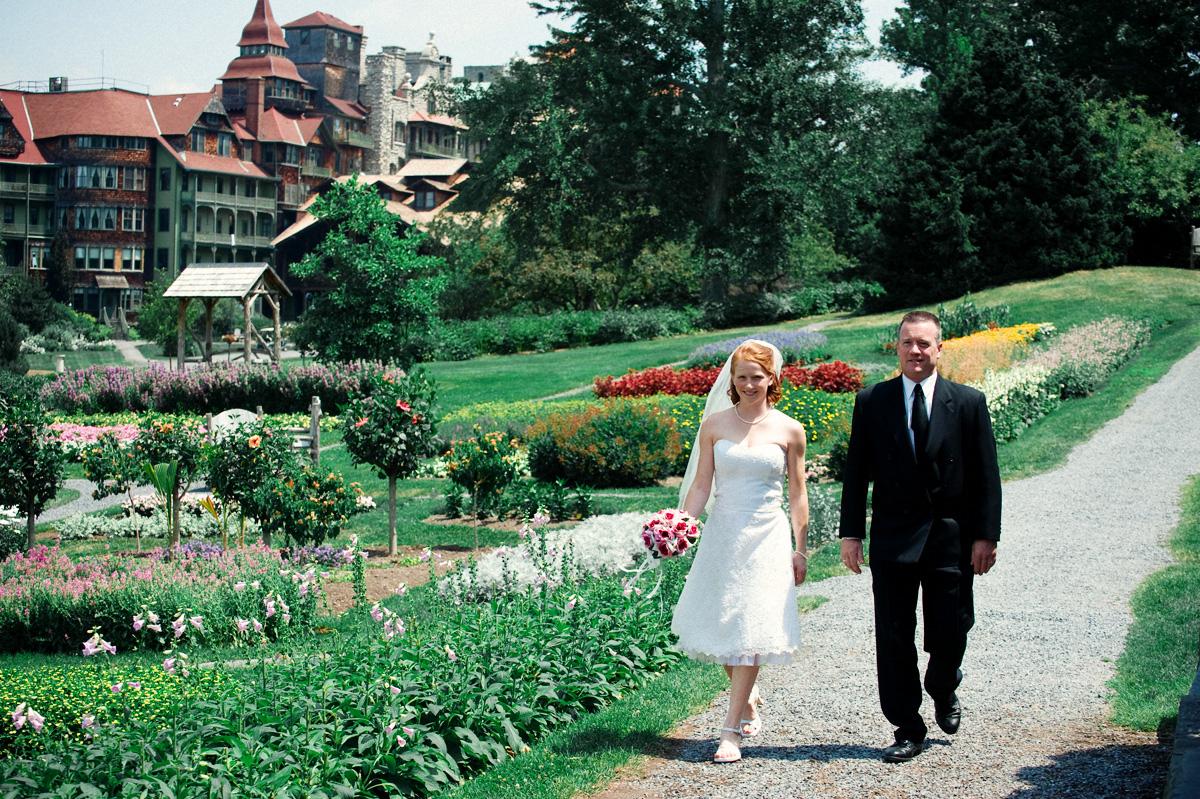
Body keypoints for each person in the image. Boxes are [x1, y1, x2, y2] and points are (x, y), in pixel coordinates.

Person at [839, 310, 1002, 763]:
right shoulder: (872, 401)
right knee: (893, 635)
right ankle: (907, 726)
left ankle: (943, 683)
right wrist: (851, 533)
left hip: (951, 536)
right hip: (893, 537)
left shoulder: (968, 402)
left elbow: (987, 476)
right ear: (897, 347)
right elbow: (856, 474)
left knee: (952, 628)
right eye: (908, 342)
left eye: (925, 344)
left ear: (939, 348)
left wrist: (986, 536)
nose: (916, 351)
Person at [672, 339, 810, 764]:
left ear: (773, 379)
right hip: (723, 534)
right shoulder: (714, 425)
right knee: (722, 622)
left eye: (758, 377)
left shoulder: (789, 430)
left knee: (750, 627)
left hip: (767, 537)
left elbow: (798, 493)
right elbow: (701, 485)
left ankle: (729, 732)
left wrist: (801, 548)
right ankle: (747, 695)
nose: (750, 384)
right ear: (732, 380)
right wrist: (679, 526)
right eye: (743, 377)